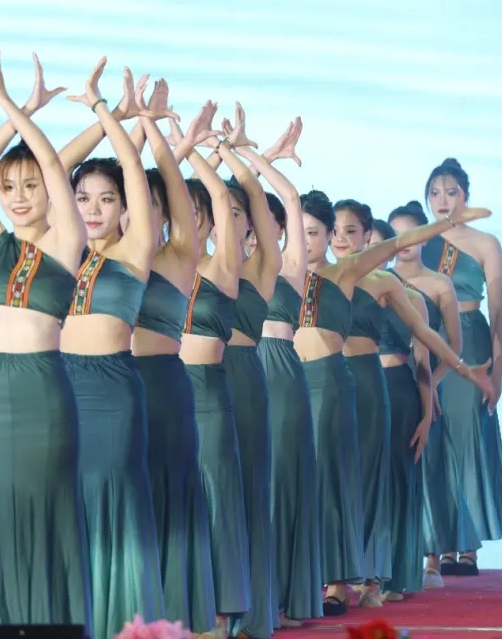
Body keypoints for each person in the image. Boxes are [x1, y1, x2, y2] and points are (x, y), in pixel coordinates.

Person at [294, 190, 492, 615]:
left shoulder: (380, 281)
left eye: (350, 231)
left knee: (369, 481)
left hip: (369, 386)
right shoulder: (304, 277)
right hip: (319, 382)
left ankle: (367, 577)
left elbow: (423, 335)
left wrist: (461, 372)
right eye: (335, 231)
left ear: (366, 235)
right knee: (326, 481)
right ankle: (327, 575)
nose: (341, 238)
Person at [0, 48, 91, 629]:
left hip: (42, 390)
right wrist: (17, 110)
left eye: (31, 185)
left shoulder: (67, 242)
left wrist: (17, 111)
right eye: (10, 186)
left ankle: (49, 624)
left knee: (44, 506)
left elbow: (57, 173)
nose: (18, 196)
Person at [59, 57, 163, 639]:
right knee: (67, 503)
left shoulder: (135, 249)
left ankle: (121, 625)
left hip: (113, 391)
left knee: (114, 502)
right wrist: (109, 118)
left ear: (125, 207)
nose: (93, 210)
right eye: (82, 199)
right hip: (58, 387)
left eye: (105, 200)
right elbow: (54, 167)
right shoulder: (60, 248)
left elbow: (133, 173)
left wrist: (111, 113)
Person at [130, 86, 219, 633]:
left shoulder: (179, 254)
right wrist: (135, 126)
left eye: (153, 204)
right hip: (112, 386)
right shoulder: (103, 257)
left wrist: (155, 129)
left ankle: (179, 613)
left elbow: (170, 189)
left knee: (169, 492)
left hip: (163, 385)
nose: (141, 212)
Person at [172, 102, 252, 638]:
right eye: (181, 213)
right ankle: (182, 603)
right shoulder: (159, 265)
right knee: (178, 498)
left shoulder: (222, 266)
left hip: (209, 393)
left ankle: (221, 611)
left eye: (196, 213)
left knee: (217, 496)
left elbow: (224, 199)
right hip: (167, 392)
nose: (189, 221)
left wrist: (207, 149)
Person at [239, 119, 322, 625]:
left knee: (283, 480)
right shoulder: (226, 264)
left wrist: (261, 157)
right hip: (241, 370)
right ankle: (249, 600)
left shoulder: (291, 266)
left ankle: (285, 598)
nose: (262, 230)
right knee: (249, 484)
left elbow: (290, 198)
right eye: (253, 222)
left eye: (272, 224)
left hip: (283, 373)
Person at [420, 158, 502, 576]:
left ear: (466, 196)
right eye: (435, 193)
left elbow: (498, 309)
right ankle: (435, 546)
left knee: (465, 435)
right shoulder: (418, 240)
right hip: (428, 340)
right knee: (431, 437)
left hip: (472, 340)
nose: (442, 200)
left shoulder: (485, 244)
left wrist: (498, 370)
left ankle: (467, 546)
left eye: (451, 192)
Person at [212, 104, 282, 639]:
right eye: (220, 210)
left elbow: (257, 197)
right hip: (201, 383)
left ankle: (251, 612)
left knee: (249, 490)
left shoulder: (262, 266)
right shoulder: (190, 262)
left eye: (236, 213)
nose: (227, 217)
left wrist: (234, 154)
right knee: (212, 494)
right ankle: (211, 607)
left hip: (246, 379)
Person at [389, 201, 481, 588]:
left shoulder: (440, 284)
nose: (404, 242)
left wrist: (433, 384)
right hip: (391, 383)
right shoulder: (382, 279)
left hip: (428, 383)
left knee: (431, 469)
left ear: (425, 238)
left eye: (411, 233)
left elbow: (453, 347)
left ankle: (433, 557)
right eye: (396, 235)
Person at [364, 219, 432, 600]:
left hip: (401, 392)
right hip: (363, 389)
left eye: (380, 246)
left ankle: (394, 574)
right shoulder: (350, 293)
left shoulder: (412, 298)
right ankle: (364, 573)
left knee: (399, 480)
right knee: (369, 481)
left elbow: (422, 359)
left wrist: (427, 415)